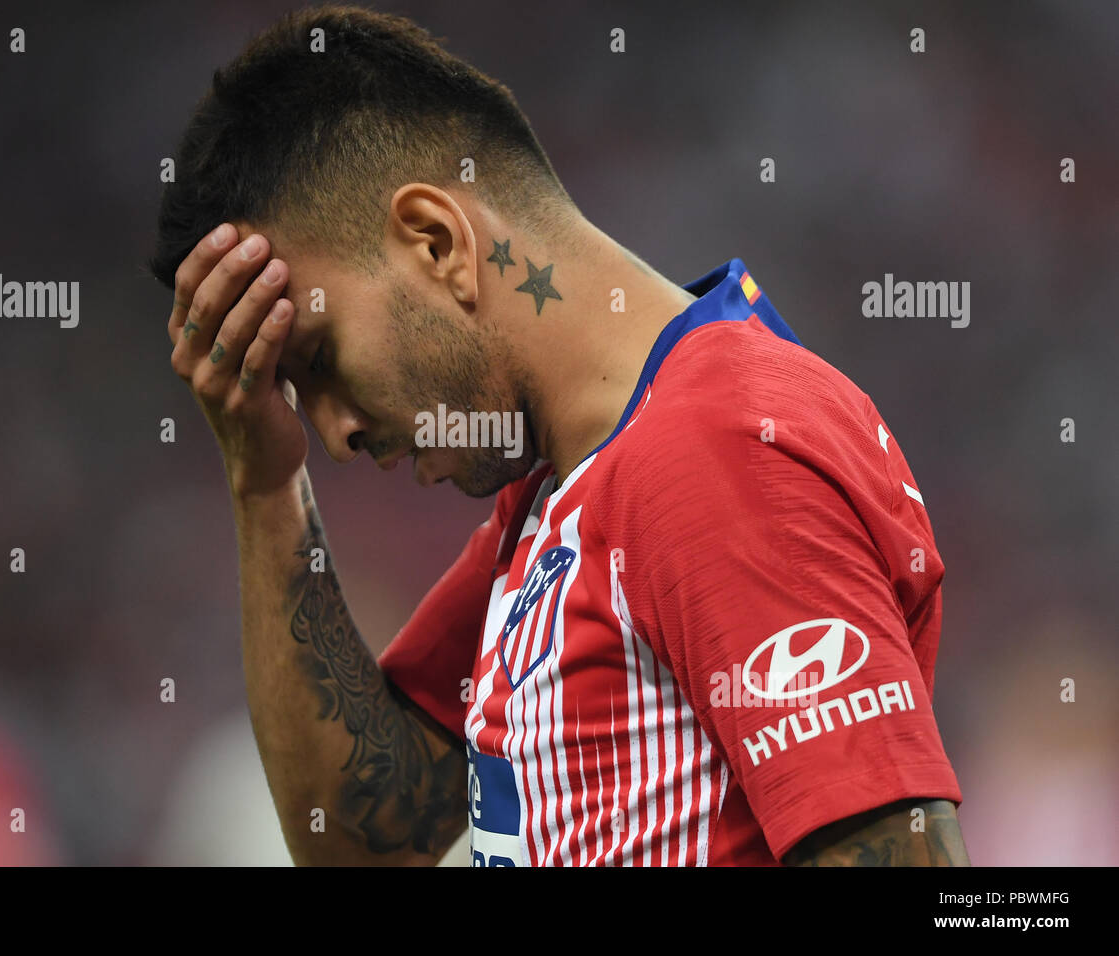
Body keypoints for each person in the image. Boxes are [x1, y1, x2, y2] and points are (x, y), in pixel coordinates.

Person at [148, 4, 968, 866]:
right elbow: (365, 837)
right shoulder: (569, 486)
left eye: (318, 361)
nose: (335, 431)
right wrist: (266, 481)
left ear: (436, 243)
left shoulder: (713, 448)